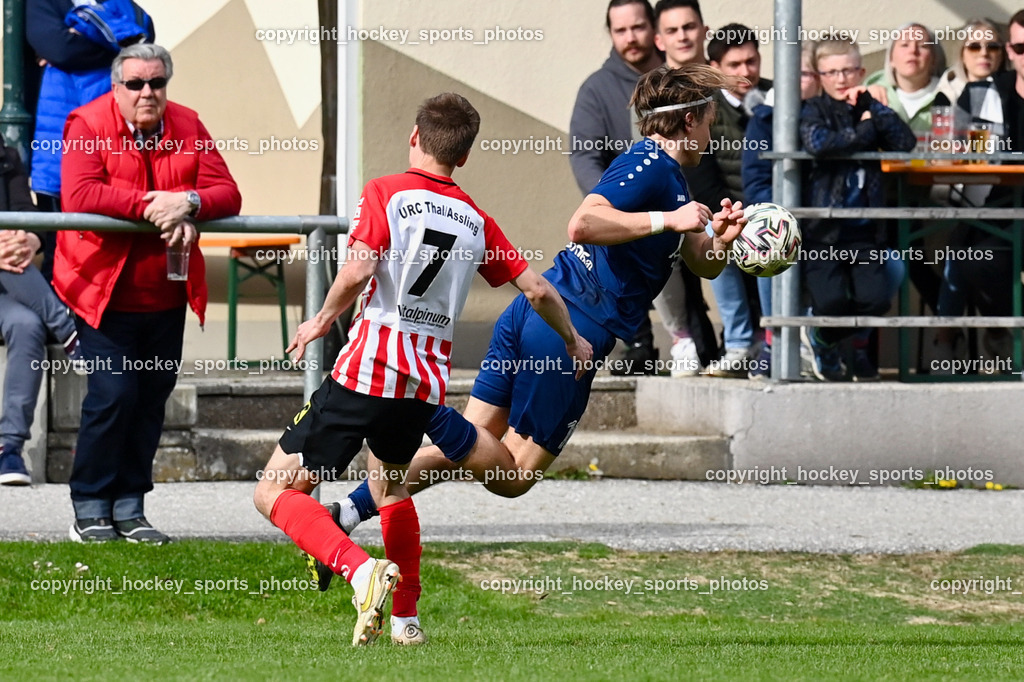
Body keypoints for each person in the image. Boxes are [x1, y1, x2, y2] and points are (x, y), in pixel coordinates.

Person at [315, 66, 747, 622]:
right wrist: (669, 218)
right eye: (710, 123)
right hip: (572, 330)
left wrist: (722, 241)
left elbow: (699, 262)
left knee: (466, 453)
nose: (712, 137)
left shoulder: (670, 181)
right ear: (688, 121)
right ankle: (421, 406)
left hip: (535, 311)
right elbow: (583, 223)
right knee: (514, 476)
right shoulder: (651, 167)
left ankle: (344, 516)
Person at [253, 92, 593, 647]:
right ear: (464, 157)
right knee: (389, 489)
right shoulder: (476, 219)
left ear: (415, 137)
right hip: (421, 385)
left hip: (366, 371)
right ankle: (407, 626)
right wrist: (574, 340)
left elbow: (360, 266)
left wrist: (319, 319)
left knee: (272, 492)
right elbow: (535, 289)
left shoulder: (385, 191)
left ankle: (360, 571)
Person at [55, 43, 241, 543]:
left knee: (150, 399)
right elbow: (80, 194)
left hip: (166, 293)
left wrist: (190, 201)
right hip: (101, 290)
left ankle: (130, 508)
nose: (146, 93)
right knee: (114, 394)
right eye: (135, 84)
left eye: (156, 83)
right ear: (116, 87)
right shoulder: (86, 124)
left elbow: (229, 192)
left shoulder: (188, 124)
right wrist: (154, 206)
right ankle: (90, 506)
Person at [800, 39, 916, 380]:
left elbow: (906, 142)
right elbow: (820, 144)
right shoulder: (814, 109)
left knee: (876, 301)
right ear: (820, 75)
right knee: (832, 304)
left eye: (848, 70)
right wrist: (866, 129)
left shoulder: (869, 104)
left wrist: (873, 108)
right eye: (832, 72)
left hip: (865, 232)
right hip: (824, 230)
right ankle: (823, 339)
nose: (841, 79)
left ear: (862, 72)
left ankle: (828, 340)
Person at [26, 0, 155, 279]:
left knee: (113, 243)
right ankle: (63, 322)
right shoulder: (44, 2)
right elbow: (59, 48)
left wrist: (82, 38)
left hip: (117, 140)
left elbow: (146, 35)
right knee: (60, 247)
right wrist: (116, 46)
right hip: (59, 145)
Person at [570, 0, 664, 375]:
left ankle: (708, 349)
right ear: (610, 33)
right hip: (626, 211)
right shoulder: (596, 88)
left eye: (638, 27)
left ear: (653, 26)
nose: (631, 38)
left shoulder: (678, 78)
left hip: (684, 200)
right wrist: (609, 205)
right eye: (620, 30)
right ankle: (639, 346)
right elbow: (583, 154)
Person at [934, 10, 1024, 367]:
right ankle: (998, 328)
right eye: (1021, 46)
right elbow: (961, 155)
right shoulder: (981, 93)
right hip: (994, 208)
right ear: (1012, 51)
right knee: (974, 258)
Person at [689, 23, 772, 378]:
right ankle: (740, 343)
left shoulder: (777, 99)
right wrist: (736, 217)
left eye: (751, 61)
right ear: (715, 67)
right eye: (735, 64)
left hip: (769, 208)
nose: (745, 72)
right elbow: (703, 179)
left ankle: (774, 340)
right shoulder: (703, 108)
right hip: (728, 210)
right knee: (710, 230)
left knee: (772, 234)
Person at [0, 138, 81, 485]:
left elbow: (25, 209)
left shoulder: (6, 156)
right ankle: (68, 329)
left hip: (11, 285)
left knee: (28, 324)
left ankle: (9, 448)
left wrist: (31, 238)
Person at [648, 0, 720, 376]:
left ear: (704, 30)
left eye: (689, 27)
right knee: (667, 263)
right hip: (676, 209)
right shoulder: (655, 96)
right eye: (672, 30)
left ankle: (749, 342)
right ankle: (682, 341)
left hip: (720, 205)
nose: (683, 37)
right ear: (659, 40)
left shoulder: (721, 82)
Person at [742, 41, 820, 379]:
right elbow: (755, 180)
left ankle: (813, 343)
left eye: (809, 74)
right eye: (795, 74)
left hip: (822, 217)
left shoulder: (830, 116)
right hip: (781, 214)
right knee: (769, 236)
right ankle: (774, 341)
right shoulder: (765, 120)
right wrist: (781, 215)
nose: (800, 81)